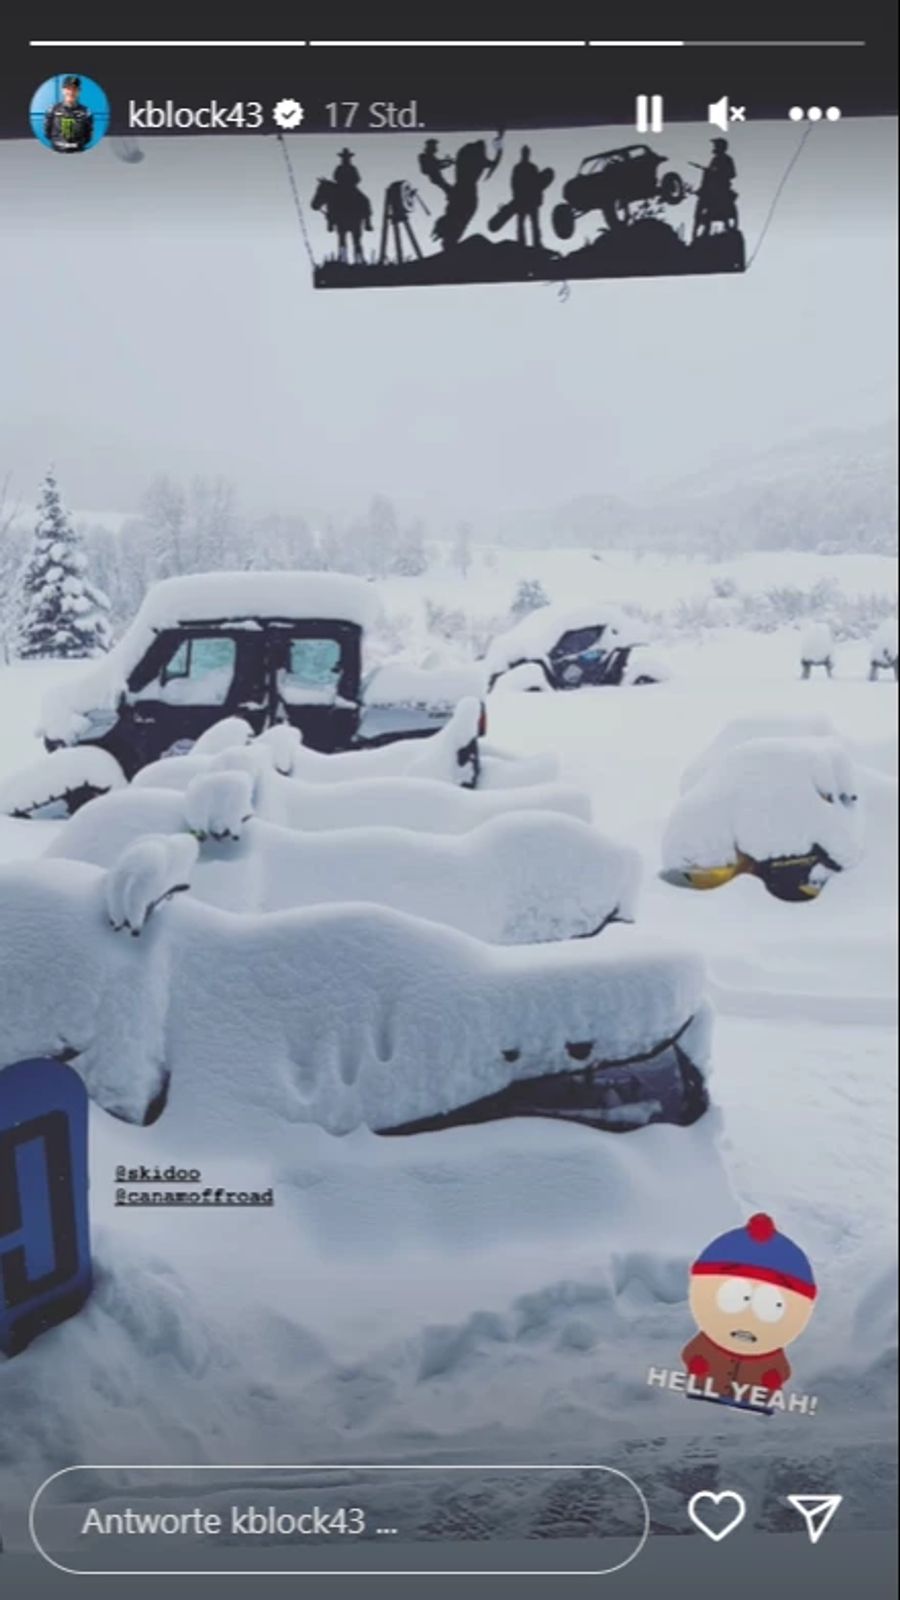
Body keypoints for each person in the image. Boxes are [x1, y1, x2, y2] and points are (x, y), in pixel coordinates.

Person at [681, 1212, 818, 1408]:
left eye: (771, 1306)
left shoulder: (767, 1352)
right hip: (705, 1390)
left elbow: (781, 1371)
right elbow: (691, 1354)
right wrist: (698, 1367)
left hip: (752, 1399)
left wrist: (771, 1381)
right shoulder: (710, 1342)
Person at [44, 75, 94, 153]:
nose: (71, 92)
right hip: (57, 152)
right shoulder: (52, 110)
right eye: (68, 88)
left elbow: (88, 136)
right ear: (62, 90)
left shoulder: (86, 112)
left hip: (79, 153)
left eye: (74, 89)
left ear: (79, 91)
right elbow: (47, 133)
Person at [510, 146, 546, 247]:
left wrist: (539, 198)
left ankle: (536, 243)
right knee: (522, 223)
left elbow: (538, 184)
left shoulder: (530, 168)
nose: (526, 154)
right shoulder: (520, 168)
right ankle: (523, 243)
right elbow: (514, 184)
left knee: (533, 223)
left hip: (530, 200)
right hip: (523, 200)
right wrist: (516, 197)